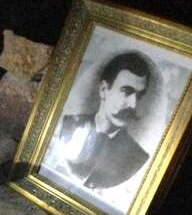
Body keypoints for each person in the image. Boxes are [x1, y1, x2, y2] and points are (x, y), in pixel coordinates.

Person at [57, 51, 152, 190]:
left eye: (139, 96)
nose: (133, 104)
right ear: (103, 90)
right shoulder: (66, 125)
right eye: (126, 91)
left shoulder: (137, 157)